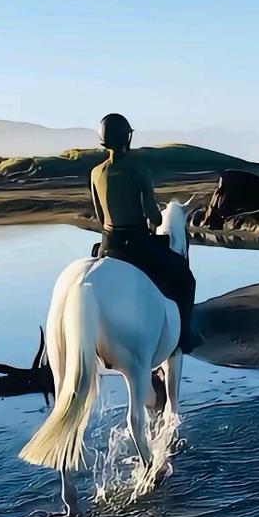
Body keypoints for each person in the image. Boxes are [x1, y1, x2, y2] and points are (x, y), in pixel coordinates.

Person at [90, 112, 201, 352]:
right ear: (126, 139)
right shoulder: (138, 169)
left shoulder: (95, 172)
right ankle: (184, 336)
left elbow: (100, 217)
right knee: (185, 279)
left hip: (108, 245)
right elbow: (153, 215)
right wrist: (155, 220)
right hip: (137, 245)